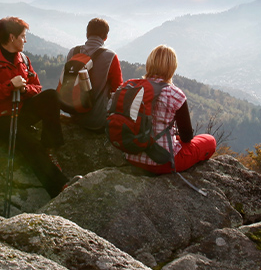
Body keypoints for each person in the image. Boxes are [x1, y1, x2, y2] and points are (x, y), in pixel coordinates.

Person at [0, 17, 66, 197]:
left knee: (51, 96)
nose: (25, 40)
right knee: (30, 145)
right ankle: (60, 187)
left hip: (20, 110)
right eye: (23, 36)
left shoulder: (23, 59)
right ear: (11, 37)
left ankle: (49, 147)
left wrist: (24, 90)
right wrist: (10, 86)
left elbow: (38, 87)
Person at [124, 45, 216, 174]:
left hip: (132, 156)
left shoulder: (132, 88)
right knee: (209, 140)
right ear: (172, 67)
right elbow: (187, 137)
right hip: (163, 162)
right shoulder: (175, 94)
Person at [63, 18, 123, 130]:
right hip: (97, 121)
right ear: (105, 37)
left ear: (87, 34)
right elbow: (118, 89)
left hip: (73, 114)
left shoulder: (73, 52)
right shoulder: (111, 57)